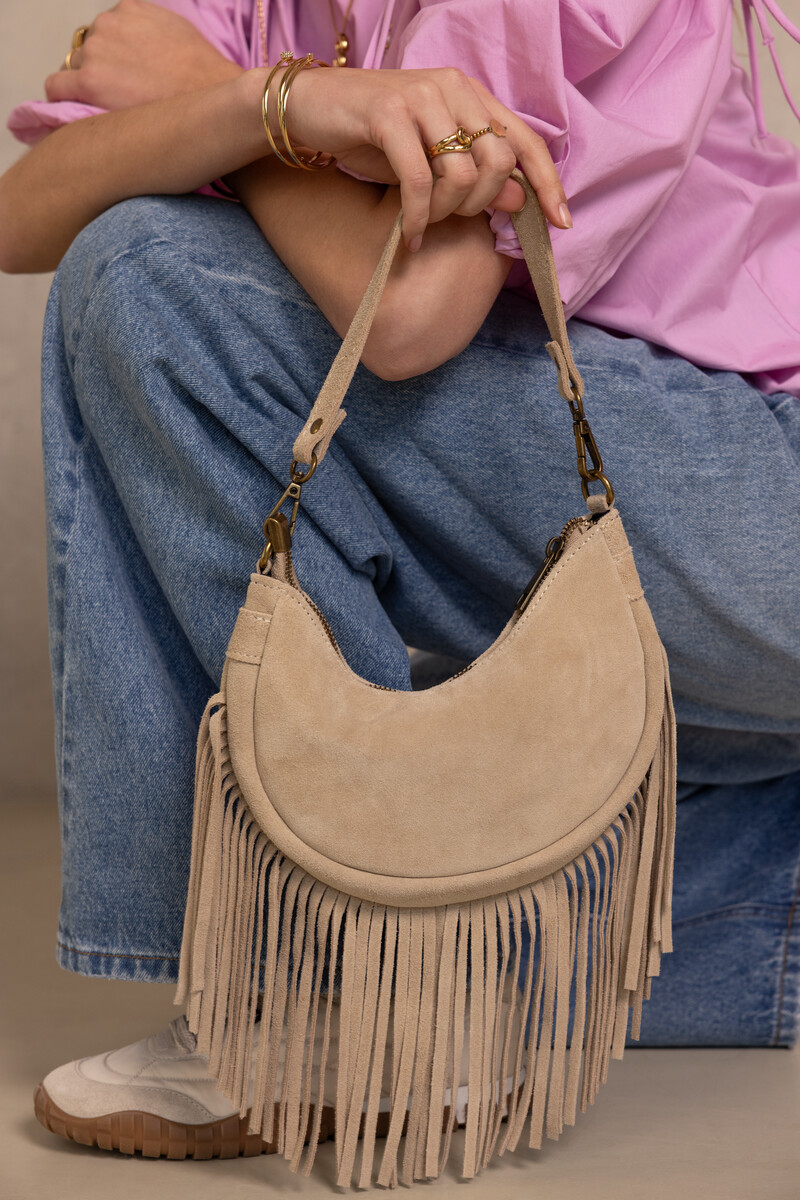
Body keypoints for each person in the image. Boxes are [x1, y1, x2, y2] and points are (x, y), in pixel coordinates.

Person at [2, 0, 799, 1167]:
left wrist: (243, 112)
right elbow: (25, 215)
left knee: (151, 276)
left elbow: (409, 315)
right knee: (498, 889)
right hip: (693, 619)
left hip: (759, 517)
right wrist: (268, 102)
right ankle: (411, 973)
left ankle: (319, 989)